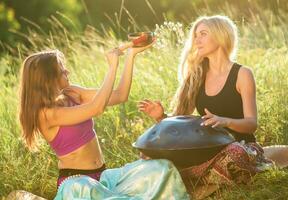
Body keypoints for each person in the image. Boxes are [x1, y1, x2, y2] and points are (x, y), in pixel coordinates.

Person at [138, 15, 288, 198]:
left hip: (240, 146)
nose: (196, 40)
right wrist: (161, 116)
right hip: (206, 150)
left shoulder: (242, 74)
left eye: (203, 34)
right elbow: (180, 126)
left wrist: (225, 122)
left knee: (235, 154)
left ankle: (196, 180)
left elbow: (251, 123)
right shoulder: (196, 75)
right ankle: (206, 177)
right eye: (196, 35)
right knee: (149, 156)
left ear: (221, 35)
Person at [18, 43, 189, 199]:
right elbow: (96, 108)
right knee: (86, 187)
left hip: (103, 177)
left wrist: (130, 56)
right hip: (77, 184)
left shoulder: (72, 93)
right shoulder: (46, 114)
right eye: (62, 70)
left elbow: (120, 95)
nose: (67, 72)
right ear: (48, 78)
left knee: (161, 168)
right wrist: (112, 66)